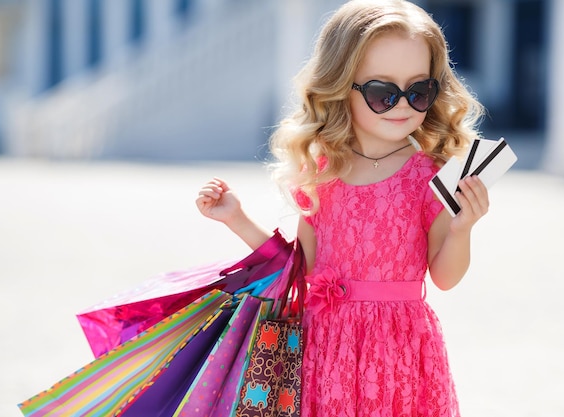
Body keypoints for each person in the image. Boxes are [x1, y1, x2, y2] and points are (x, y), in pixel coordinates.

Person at [197, 0, 488, 415]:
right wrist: (235, 218)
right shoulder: (322, 173)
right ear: (341, 84)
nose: (403, 105)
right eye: (382, 93)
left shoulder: (431, 175)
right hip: (323, 350)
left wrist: (463, 229)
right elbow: (299, 269)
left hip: (401, 353)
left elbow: (444, 277)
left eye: (418, 91)